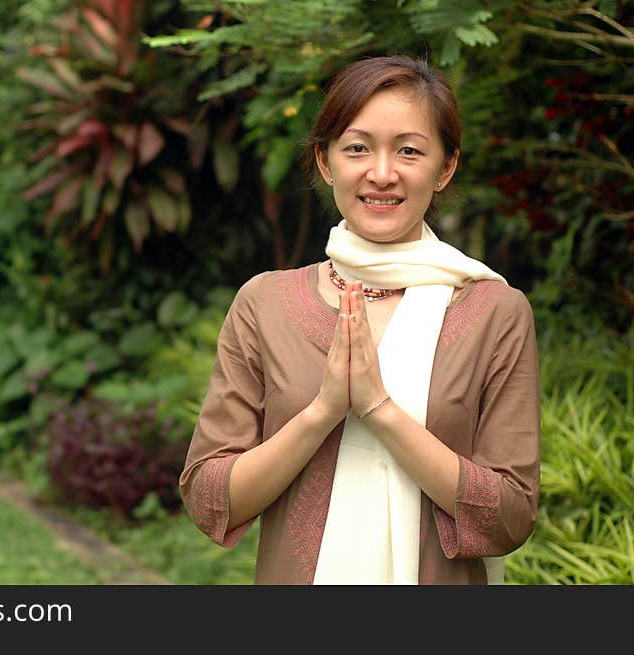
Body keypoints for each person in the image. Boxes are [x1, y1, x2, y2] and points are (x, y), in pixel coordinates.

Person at [179, 55, 541, 584]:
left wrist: (379, 409)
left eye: (410, 151)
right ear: (326, 163)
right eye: (357, 147)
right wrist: (322, 411)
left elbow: (510, 516)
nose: (382, 173)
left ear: (445, 168)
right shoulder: (264, 304)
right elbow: (211, 498)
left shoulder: (494, 312)